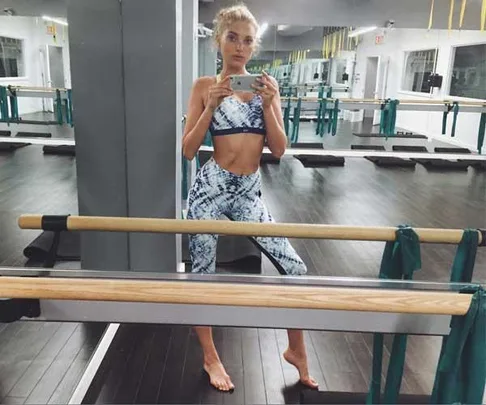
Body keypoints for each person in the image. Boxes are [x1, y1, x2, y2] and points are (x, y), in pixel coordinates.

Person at [182, 3, 318, 393]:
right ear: (219, 41)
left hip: (248, 192)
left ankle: (297, 350)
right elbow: (189, 150)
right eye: (232, 38)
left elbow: (278, 149)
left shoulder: (263, 87)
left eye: (247, 41)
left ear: (253, 47)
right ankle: (210, 356)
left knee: (295, 270)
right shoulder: (204, 87)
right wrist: (210, 105)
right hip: (210, 188)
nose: (239, 47)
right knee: (201, 276)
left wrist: (271, 105)